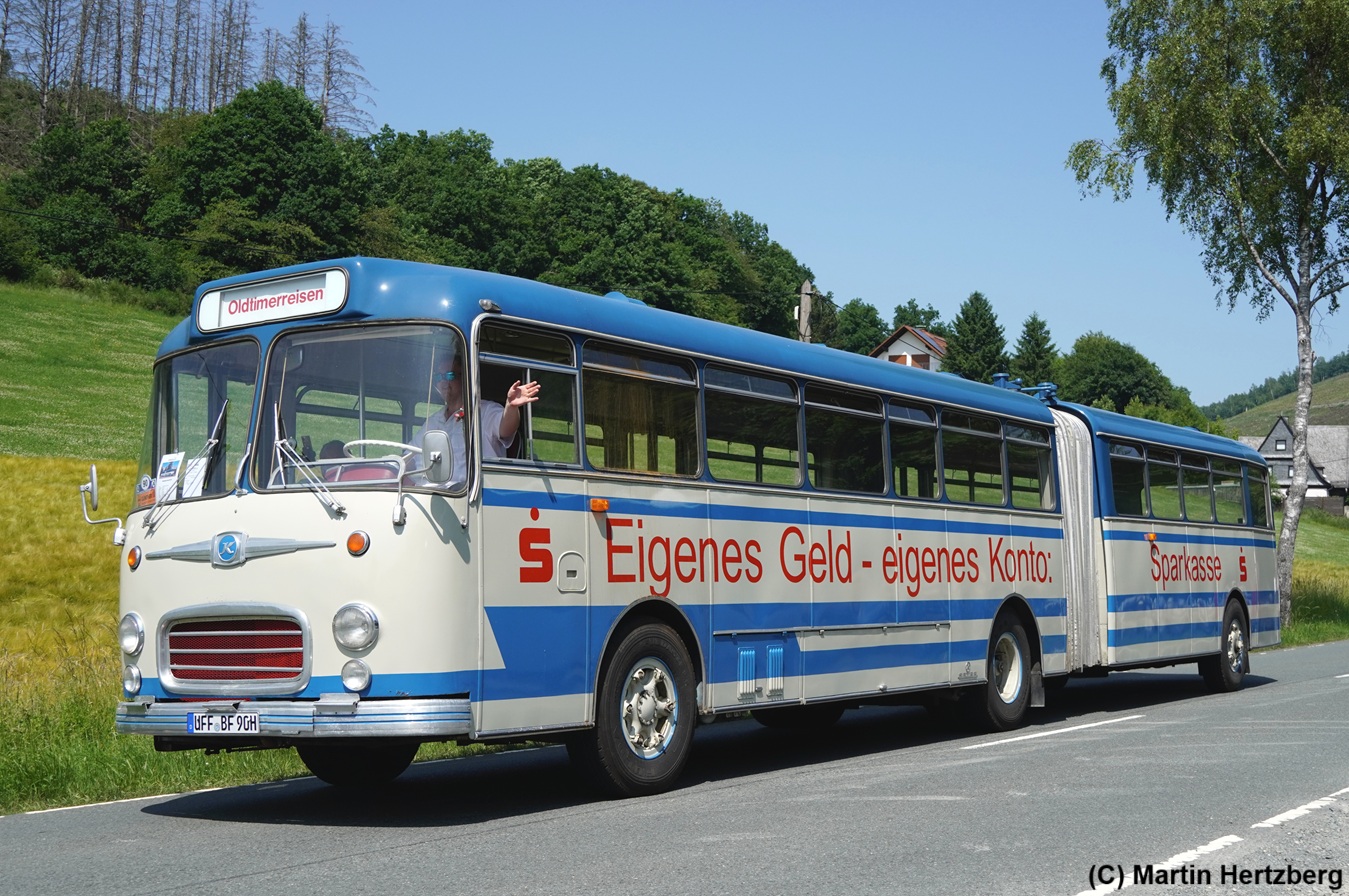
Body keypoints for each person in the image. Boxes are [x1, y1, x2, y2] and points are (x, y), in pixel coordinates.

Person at [409, 356, 540, 486]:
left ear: (465, 378)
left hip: (466, 495)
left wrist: (511, 407)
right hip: (429, 494)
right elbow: (410, 455)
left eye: (450, 376)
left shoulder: (486, 411)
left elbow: (506, 428)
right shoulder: (433, 421)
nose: (444, 382)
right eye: (439, 377)